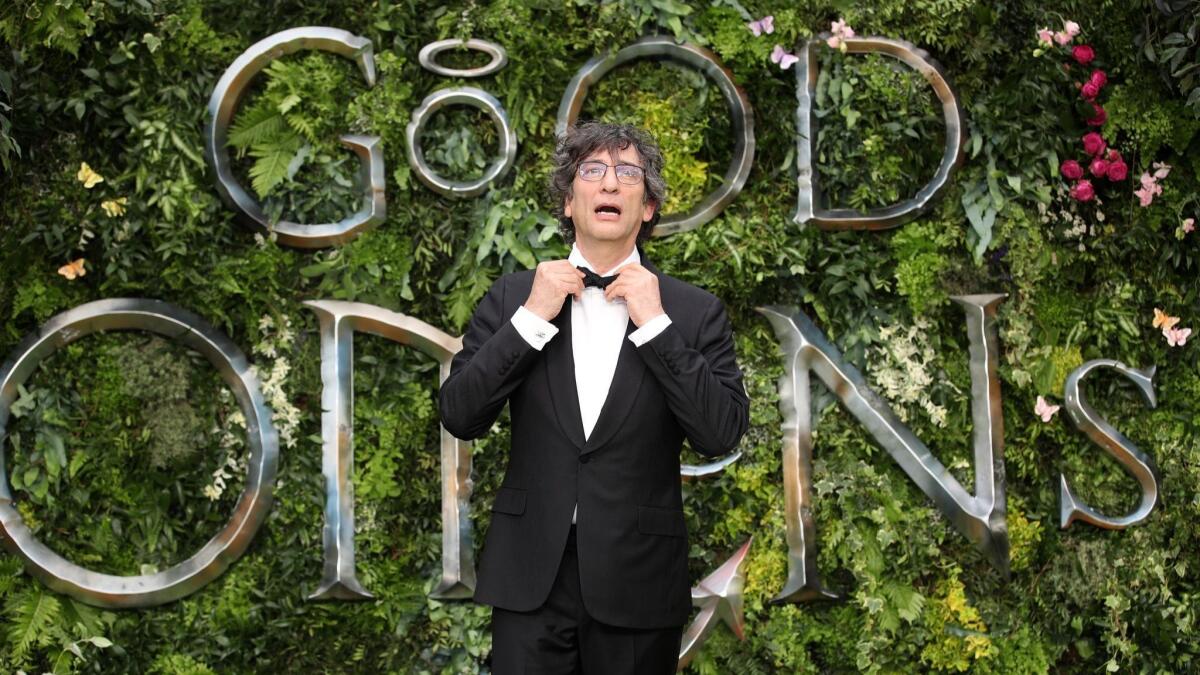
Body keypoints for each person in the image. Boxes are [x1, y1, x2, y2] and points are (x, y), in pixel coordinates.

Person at [439, 121, 749, 674]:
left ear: (647, 207)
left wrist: (656, 325)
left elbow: (720, 433)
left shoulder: (695, 311)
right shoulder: (514, 297)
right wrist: (533, 317)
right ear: (568, 200)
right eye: (593, 170)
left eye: (627, 173)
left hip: (639, 579)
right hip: (530, 572)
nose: (610, 184)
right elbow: (460, 413)